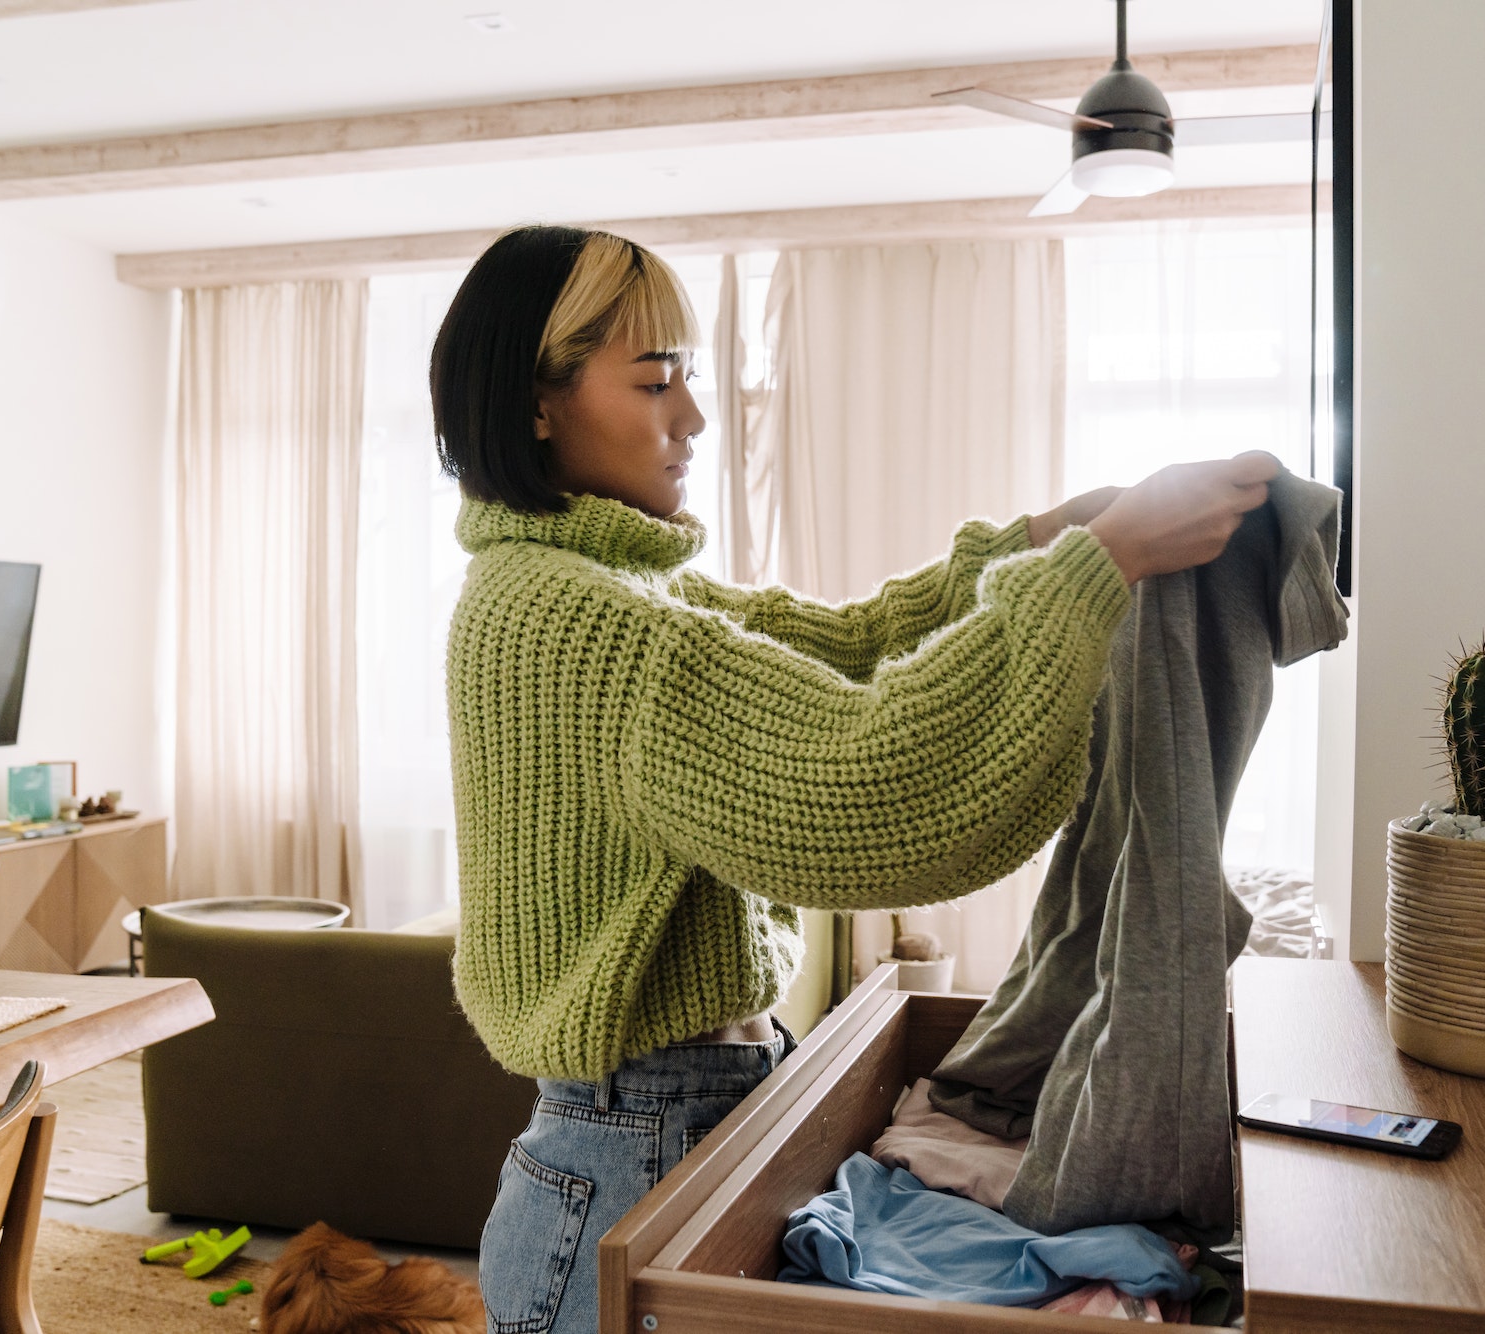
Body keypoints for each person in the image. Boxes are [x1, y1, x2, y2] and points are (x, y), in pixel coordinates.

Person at [431, 224, 1278, 1333]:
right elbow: (862, 777)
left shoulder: (602, 590)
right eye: (655, 380)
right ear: (537, 402)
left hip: (665, 1134)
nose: (691, 416)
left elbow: (848, 642)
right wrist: (1096, 569)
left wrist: (1039, 541)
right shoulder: (562, 616)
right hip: (629, 1159)